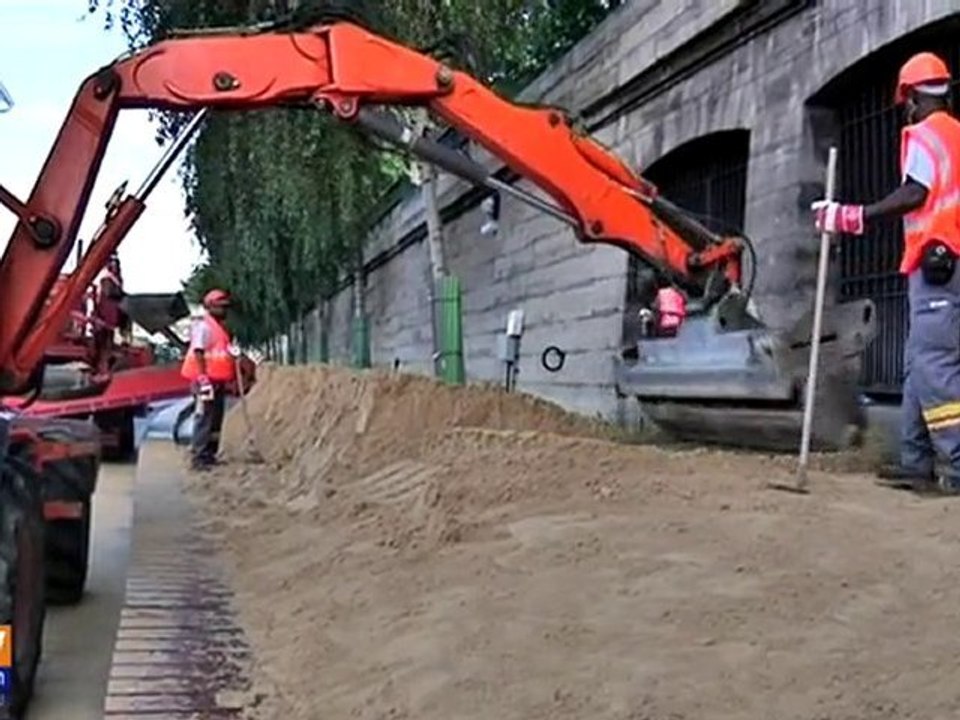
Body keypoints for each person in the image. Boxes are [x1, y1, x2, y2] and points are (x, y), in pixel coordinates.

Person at [811, 52, 960, 494]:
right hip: (945, 264)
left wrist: (851, 217)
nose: (905, 109)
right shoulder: (957, 135)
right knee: (918, 365)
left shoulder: (924, 134)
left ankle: (956, 463)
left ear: (912, 95)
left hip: (940, 264)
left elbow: (916, 192)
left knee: (934, 367)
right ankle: (915, 462)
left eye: (905, 101)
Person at [180, 288, 237, 471]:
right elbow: (198, 351)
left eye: (225, 307)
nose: (225, 310)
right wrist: (203, 378)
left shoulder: (219, 328)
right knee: (204, 417)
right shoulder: (204, 326)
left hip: (217, 381)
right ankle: (198, 456)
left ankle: (209, 454)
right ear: (211, 307)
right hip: (205, 381)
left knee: (215, 419)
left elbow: (220, 352)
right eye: (221, 307)